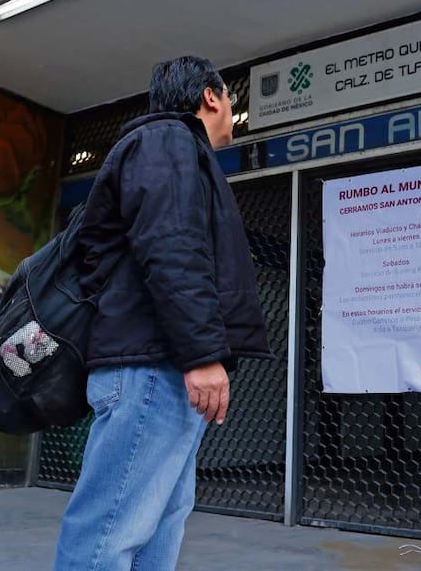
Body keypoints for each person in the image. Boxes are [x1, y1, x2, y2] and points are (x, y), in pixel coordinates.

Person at [53, 56, 272, 570]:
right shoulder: (166, 141)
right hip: (152, 368)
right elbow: (172, 248)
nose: (231, 109)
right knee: (110, 530)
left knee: (158, 523)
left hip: (159, 365)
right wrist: (201, 354)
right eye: (230, 97)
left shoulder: (172, 149)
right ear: (211, 96)